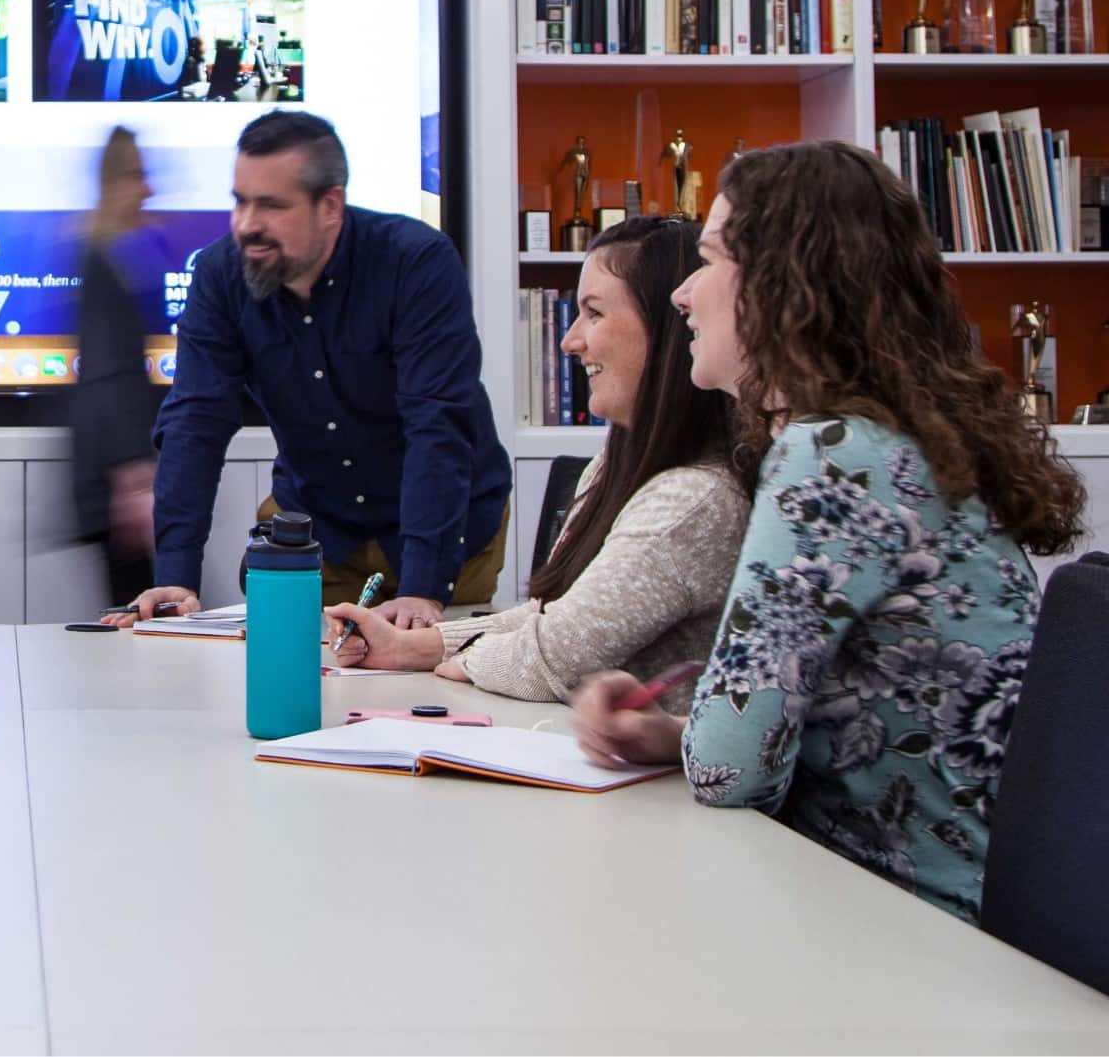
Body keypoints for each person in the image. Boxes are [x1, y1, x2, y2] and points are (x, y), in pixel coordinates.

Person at [573, 141, 1088, 924]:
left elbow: (727, 768)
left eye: (708, 258)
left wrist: (695, 736)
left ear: (781, 286)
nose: (682, 292)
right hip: (934, 902)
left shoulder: (831, 457)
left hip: (908, 924)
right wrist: (672, 733)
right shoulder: (890, 442)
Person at [105, 110, 511, 628]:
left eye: (271, 205)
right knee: (309, 680)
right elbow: (195, 423)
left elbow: (437, 425)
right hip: (320, 530)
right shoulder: (219, 274)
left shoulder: (415, 262)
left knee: (428, 686)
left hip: (444, 528)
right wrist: (178, 576)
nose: (248, 224)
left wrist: (423, 592)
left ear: (330, 206)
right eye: (240, 201)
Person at [327, 216, 747, 707]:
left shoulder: (691, 501)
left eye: (594, 314)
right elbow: (550, 614)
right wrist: (410, 646)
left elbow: (551, 657)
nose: (570, 340)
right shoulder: (613, 464)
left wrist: (457, 660)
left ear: (666, 328)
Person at [70, 128, 163, 607]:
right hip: (116, 480)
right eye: (138, 174)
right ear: (116, 180)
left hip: (113, 475)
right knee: (146, 614)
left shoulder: (113, 252)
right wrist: (134, 478)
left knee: (141, 611)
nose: (149, 188)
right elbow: (111, 371)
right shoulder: (103, 258)